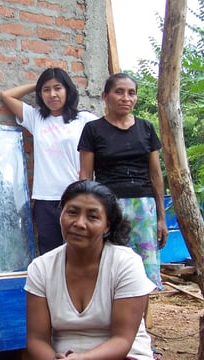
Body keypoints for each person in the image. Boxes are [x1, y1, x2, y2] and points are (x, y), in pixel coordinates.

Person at [25, 180, 155, 360]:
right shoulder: (41, 268)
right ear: (61, 214)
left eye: (92, 217)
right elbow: (37, 340)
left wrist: (81, 358)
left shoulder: (125, 264)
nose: (79, 223)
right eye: (72, 212)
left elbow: (123, 340)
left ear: (107, 225)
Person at [78, 73, 168, 291]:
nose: (126, 98)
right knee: (110, 266)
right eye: (119, 92)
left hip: (144, 208)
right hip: (109, 207)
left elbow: (156, 175)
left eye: (131, 93)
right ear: (105, 96)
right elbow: (85, 176)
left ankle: (141, 324)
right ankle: (111, 322)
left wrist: (161, 218)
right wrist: (88, 214)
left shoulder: (146, 129)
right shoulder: (93, 130)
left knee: (145, 271)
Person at [0, 68, 98, 255]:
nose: (52, 94)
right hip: (45, 200)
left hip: (75, 196)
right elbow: (7, 96)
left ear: (67, 90)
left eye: (57, 88)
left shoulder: (84, 119)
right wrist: (36, 85)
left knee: (79, 251)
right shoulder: (36, 118)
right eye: (46, 90)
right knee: (50, 254)